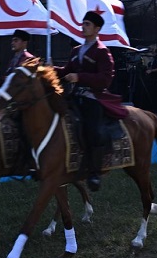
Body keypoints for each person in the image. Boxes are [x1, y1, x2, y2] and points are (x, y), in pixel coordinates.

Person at [53, 11, 127, 192]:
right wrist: (49, 68)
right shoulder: (76, 50)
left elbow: (105, 78)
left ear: (97, 28)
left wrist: (79, 77)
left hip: (93, 98)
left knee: (93, 130)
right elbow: (65, 71)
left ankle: (94, 172)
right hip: (74, 96)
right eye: (83, 23)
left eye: (87, 24)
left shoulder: (103, 52)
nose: (83, 27)